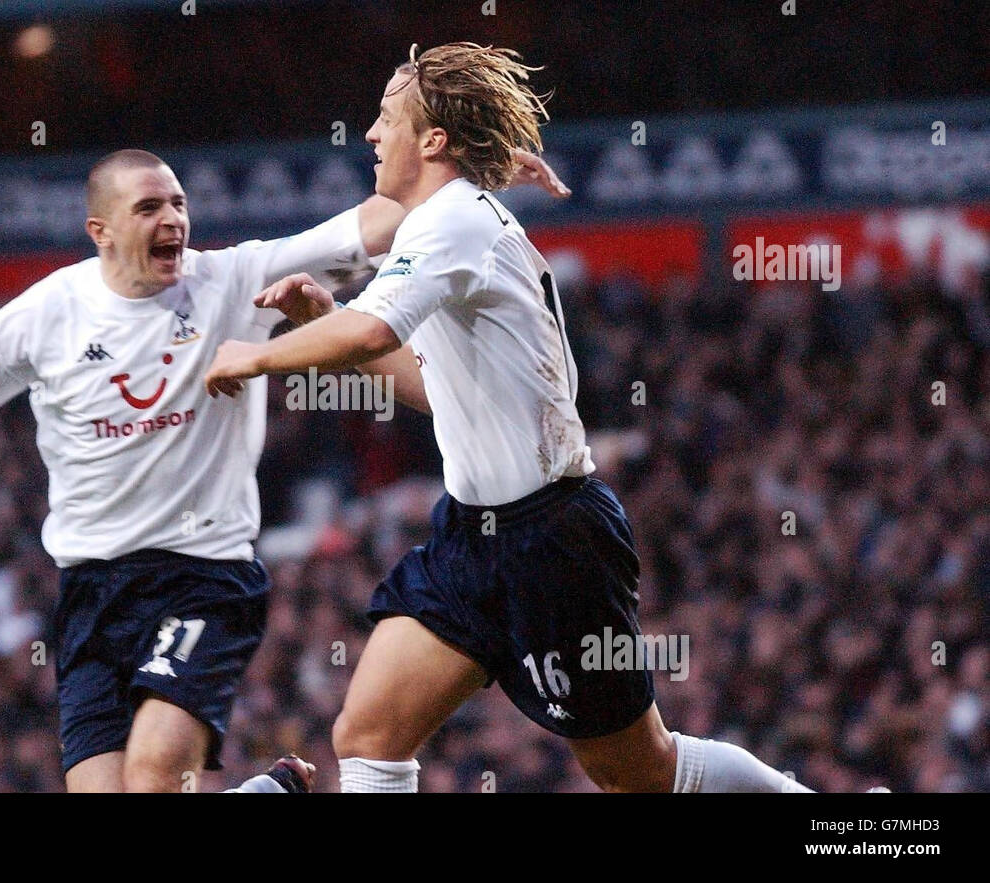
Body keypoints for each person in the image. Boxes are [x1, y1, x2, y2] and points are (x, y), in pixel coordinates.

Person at [0, 147, 565, 793]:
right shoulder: (44, 314)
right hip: (89, 597)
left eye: (180, 203)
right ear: (100, 229)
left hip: (203, 581)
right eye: (151, 207)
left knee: (154, 775)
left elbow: (372, 224)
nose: (174, 221)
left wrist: (473, 173)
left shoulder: (231, 279)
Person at [206, 42, 831, 793]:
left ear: (432, 139)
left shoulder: (454, 223)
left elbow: (375, 333)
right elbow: (435, 388)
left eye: (385, 116)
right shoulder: (439, 226)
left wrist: (253, 357)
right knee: (369, 733)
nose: (369, 134)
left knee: (636, 768)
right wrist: (326, 318)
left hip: (554, 542)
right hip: (473, 536)